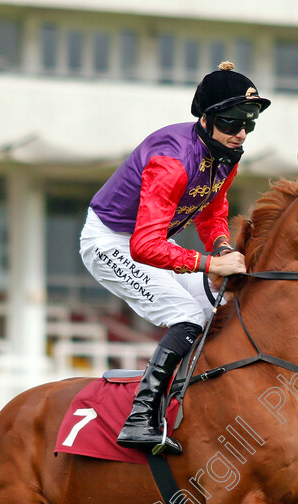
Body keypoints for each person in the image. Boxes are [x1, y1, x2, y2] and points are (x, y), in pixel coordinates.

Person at [80, 61, 271, 455]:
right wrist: (210, 265)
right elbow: (144, 246)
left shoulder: (224, 154)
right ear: (206, 119)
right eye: (232, 123)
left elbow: (213, 212)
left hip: (144, 242)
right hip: (111, 242)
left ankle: (200, 405)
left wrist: (221, 247)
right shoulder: (172, 160)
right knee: (187, 314)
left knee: (216, 307)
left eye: (248, 125)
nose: (240, 134)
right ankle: (141, 416)